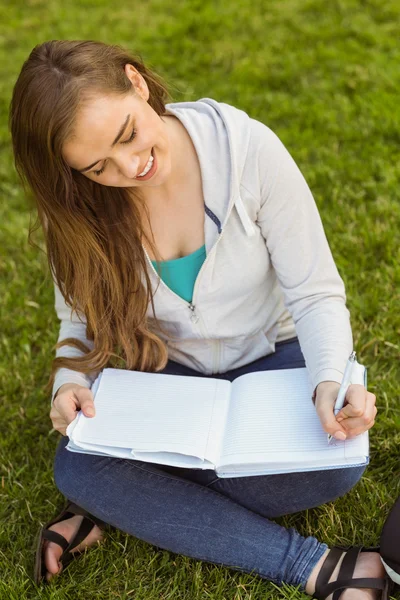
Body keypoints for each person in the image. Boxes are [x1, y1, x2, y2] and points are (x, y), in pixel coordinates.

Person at [9, 40, 391, 598]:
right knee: (76, 469)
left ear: (136, 82)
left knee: (337, 466)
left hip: (273, 358)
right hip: (167, 376)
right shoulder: (77, 210)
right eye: (98, 166)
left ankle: (130, 501)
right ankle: (308, 565)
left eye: (127, 135)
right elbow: (79, 327)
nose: (129, 167)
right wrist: (69, 383)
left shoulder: (248, 149)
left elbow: (315, 292)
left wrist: (330, 380)